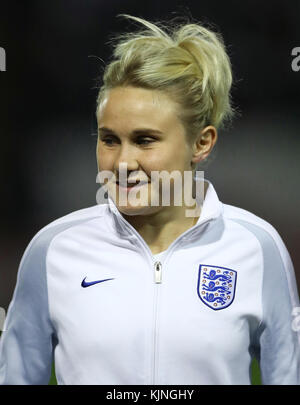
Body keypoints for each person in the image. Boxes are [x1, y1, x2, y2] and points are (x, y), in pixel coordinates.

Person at [0, 13, 299, 385]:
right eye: (109, 139)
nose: (123, 162)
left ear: (201, 142)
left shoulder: (257, 247)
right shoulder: (52, 250)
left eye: (145, 140)